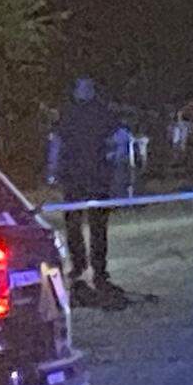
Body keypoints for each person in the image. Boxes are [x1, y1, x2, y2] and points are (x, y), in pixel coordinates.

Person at [47, 77, 124, 307]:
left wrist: (115, 162)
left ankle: (94, 268)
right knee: (78, 224)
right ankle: (85, 267)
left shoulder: (97, 112)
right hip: (80, 177)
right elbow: (58, 142)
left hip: (92, 177)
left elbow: (119, 137)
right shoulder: (74, 113)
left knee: (93, 225)